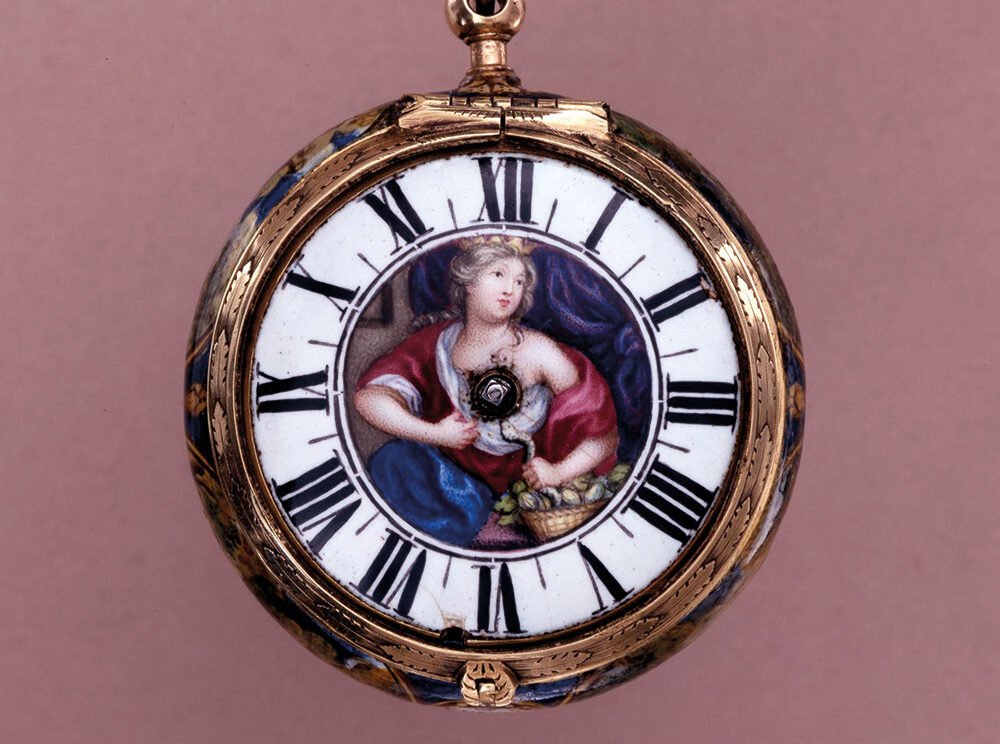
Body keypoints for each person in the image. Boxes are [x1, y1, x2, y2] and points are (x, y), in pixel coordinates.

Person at [353, 235, 618, 547]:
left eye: (519, 281)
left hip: (529, 493)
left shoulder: (540, 352)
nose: (510, 289)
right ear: (468, 282)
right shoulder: (437, 344)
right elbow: (368, 398)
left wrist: (558, 473)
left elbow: (604, 436)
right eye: (498, 274)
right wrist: (435, 434)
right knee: (394, 460)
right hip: (455, 487)